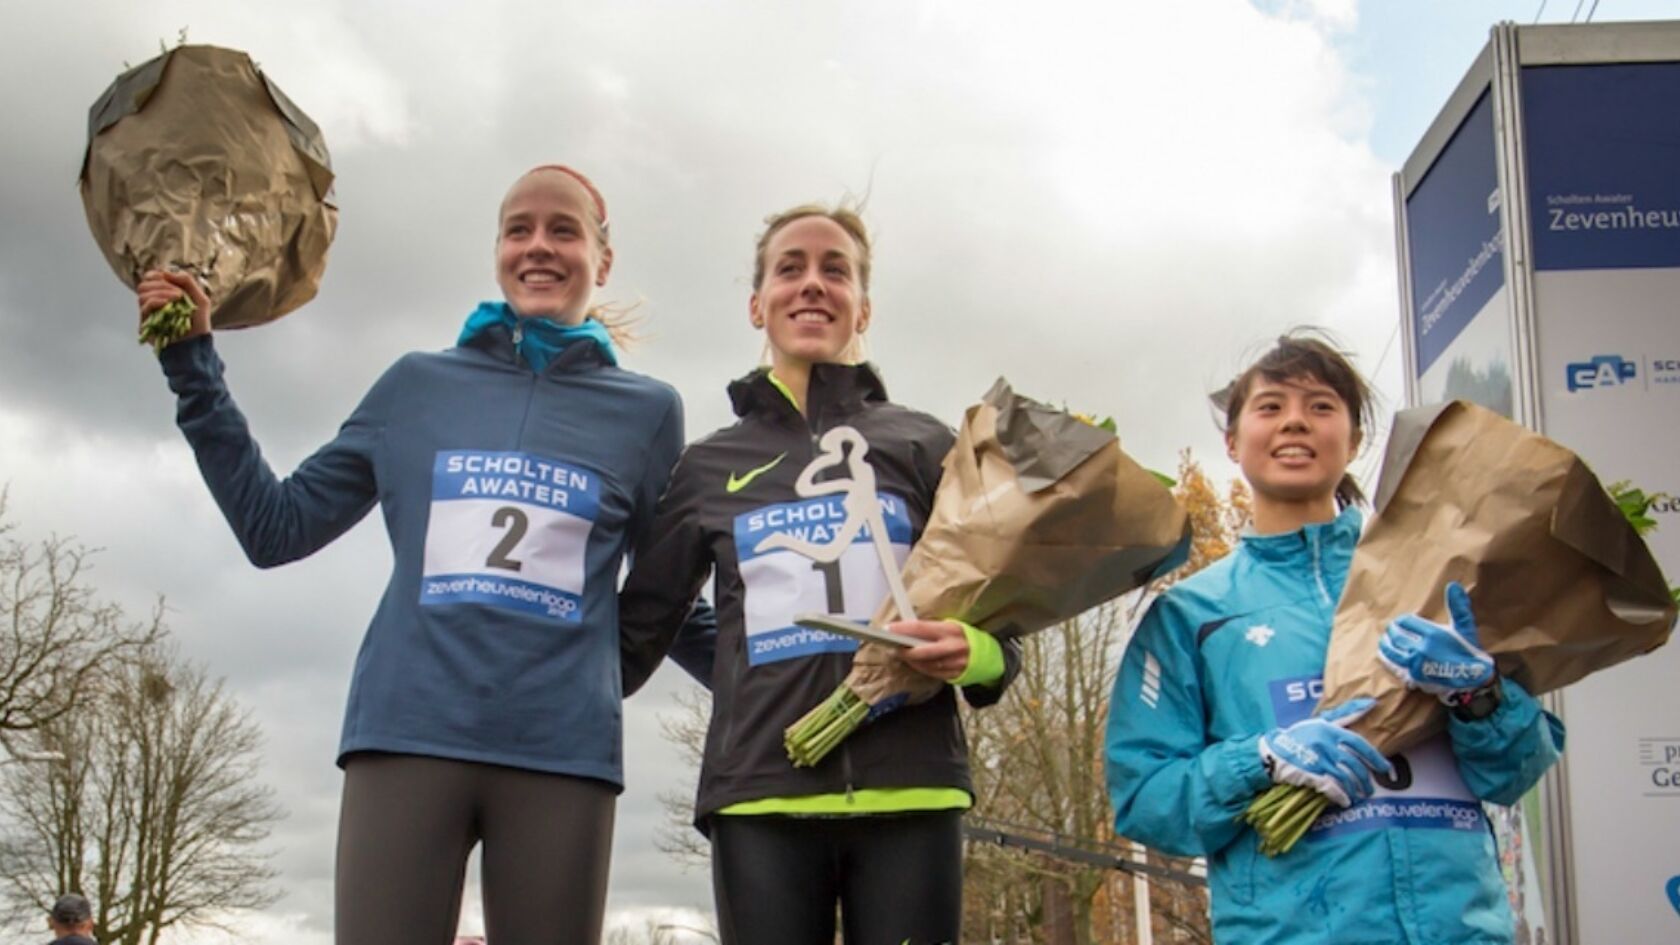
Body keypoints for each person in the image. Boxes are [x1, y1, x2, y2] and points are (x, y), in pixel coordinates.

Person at [137, 165, 690, 945]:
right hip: (406, 734)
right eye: (518, 229)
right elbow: (275, 527)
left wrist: (796, 672)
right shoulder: (416, 385)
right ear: (497, 249)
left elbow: (669, 600)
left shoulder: (649, 411)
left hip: (560, 749)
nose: (539, 246)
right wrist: (193, 364)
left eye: (563, 230)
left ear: (602, 259)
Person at [618, 202, 1021, 945]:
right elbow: (641, 627)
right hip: (761, 799)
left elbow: (1001, 633)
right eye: (790, 269)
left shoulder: (928, 444)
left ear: (862, 305)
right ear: (756, 303)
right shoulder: (708, 465)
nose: (812, 285)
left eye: (835, 270)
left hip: (913, 787)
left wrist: (976, 651)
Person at [1104, 333, 1566, 944]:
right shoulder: (1192, 614)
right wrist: (1262, 759)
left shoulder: (1436, 583)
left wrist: (1479, 693)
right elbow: (1147, 800)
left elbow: (1514, 773)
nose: (1295, 421)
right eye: (1270, 407)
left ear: (1354, 440)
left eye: (1321, 406)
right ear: (1232, 441)